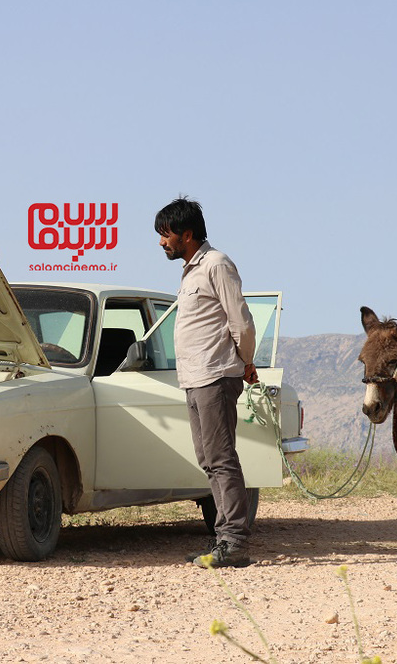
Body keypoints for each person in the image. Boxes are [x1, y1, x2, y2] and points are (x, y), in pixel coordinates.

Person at [154, 197, 258, 569]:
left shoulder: (216, 264)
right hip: (196, 378)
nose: (162, 242)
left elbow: (241, 322)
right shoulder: (190, 271)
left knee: (221, 458)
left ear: (187, 234)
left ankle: (234, 543)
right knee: (209, 459)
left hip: (216, 375)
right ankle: (225, 541)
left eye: (166, 235)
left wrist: (246, 363)